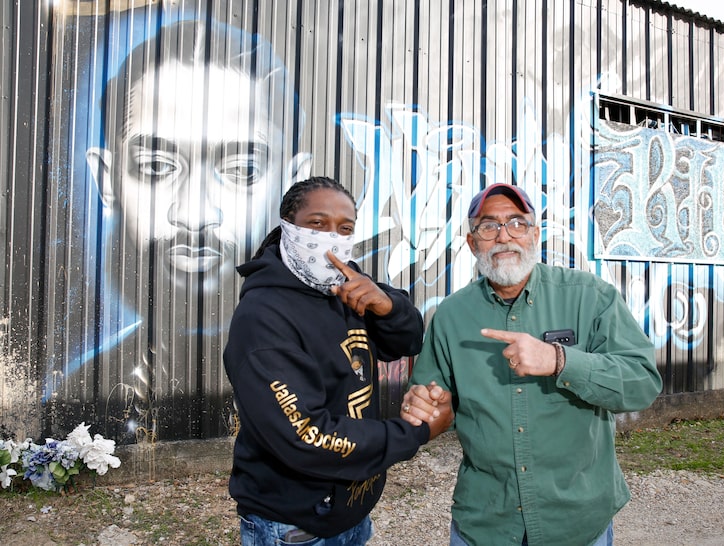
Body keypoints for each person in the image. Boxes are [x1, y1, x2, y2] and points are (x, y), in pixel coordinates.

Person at [74, 18, 312, 439]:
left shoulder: (323, 356)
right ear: (105, 180)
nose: (195, 213)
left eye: (242, 169)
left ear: (292, 188)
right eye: (155, 167)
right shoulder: (78, 384)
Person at [401, 183, 663, 546]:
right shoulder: (451, 317)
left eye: (517, 223)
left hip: (576, 522)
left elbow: (642, 383)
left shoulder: (591, 297)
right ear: (471, 242)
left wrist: (559, 360)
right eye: (488, 226)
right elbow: (431, 410)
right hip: (486, 522)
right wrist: (428, 411)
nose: (504, 236)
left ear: (535, 235)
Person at [222, 176, 453, 545]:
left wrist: (388, 306)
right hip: (294, 526)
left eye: (344, 229)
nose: (331, 237)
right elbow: (307, 436)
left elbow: (406, 340)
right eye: (317, 223)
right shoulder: (263, 319)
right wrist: (417, 432)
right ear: (288, 226)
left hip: (348, 510)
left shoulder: (344, 281)